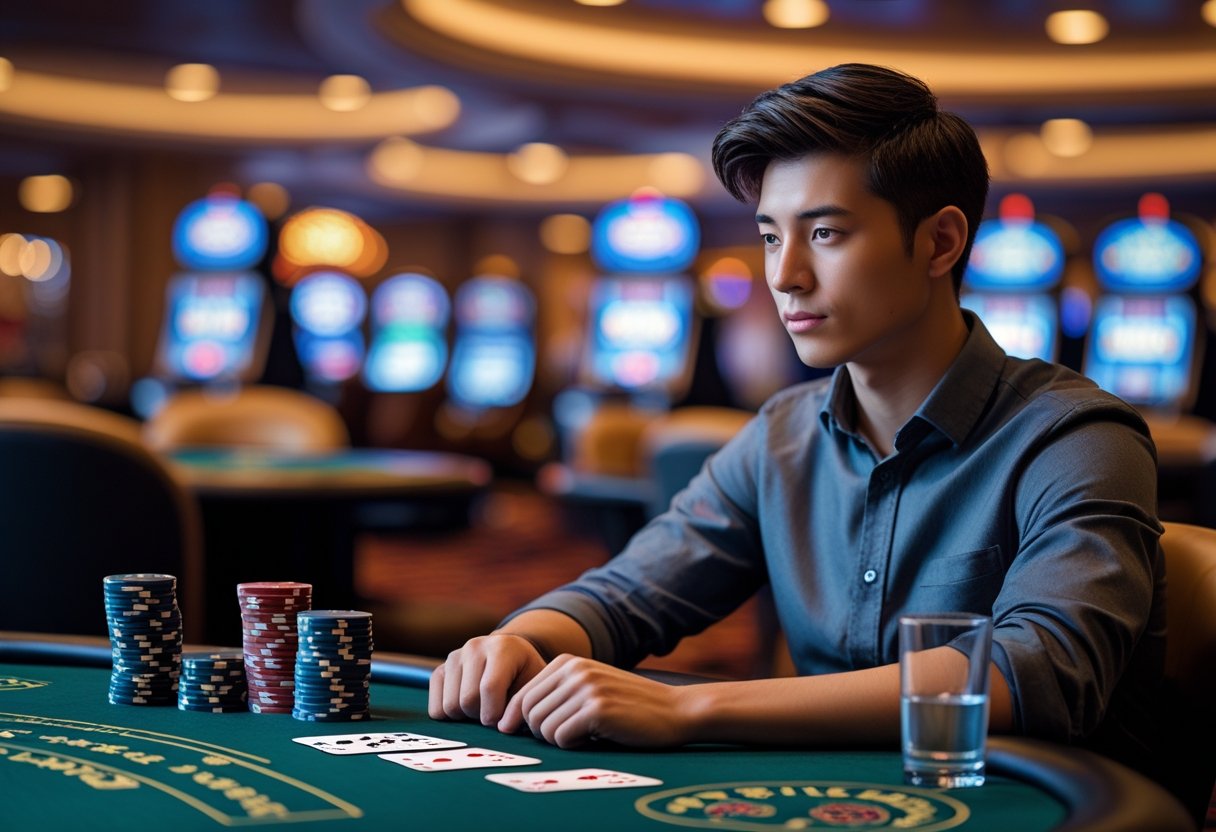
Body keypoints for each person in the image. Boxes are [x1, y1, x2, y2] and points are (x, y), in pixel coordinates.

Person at [429, 63, 1165, 777]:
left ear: (940, 242)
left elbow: (1039, 669)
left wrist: (692, 707)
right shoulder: (782, 434)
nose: (784, 277)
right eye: (772, 236)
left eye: (825, 234)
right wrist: (523, 638)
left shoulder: (1075, 436)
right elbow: (627, 595)